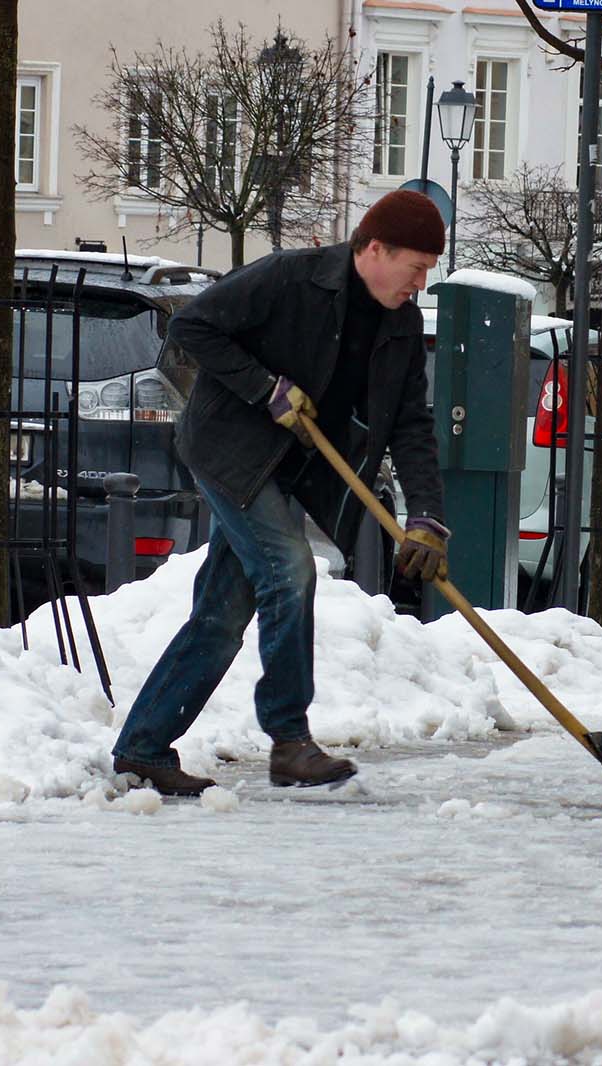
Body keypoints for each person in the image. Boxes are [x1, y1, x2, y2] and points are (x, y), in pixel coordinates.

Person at [111, 190, 452, 795]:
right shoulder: (291, 277)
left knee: (222, 615)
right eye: (417, 267)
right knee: (290, 571)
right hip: (229, 449)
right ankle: (289, 740)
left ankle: (142, 748)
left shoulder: (400, 325)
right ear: (376, 250)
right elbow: (193, 325)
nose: (421, 284)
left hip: (289, 468)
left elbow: (411, 423)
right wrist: (265, 389)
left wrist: (425, 516)